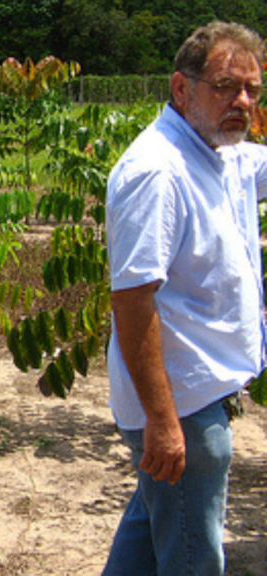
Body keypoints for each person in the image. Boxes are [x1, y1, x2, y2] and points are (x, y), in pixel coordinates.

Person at [104, 21, 267, 575]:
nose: (241, 101)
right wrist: (164, 421)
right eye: (225, 86)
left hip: (198, 395)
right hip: (182, 404)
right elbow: (132, 299)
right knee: (193, 560)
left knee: (151, 531)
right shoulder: (157, 171)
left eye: (252, 90)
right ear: (181, 88)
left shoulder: (221, 153)